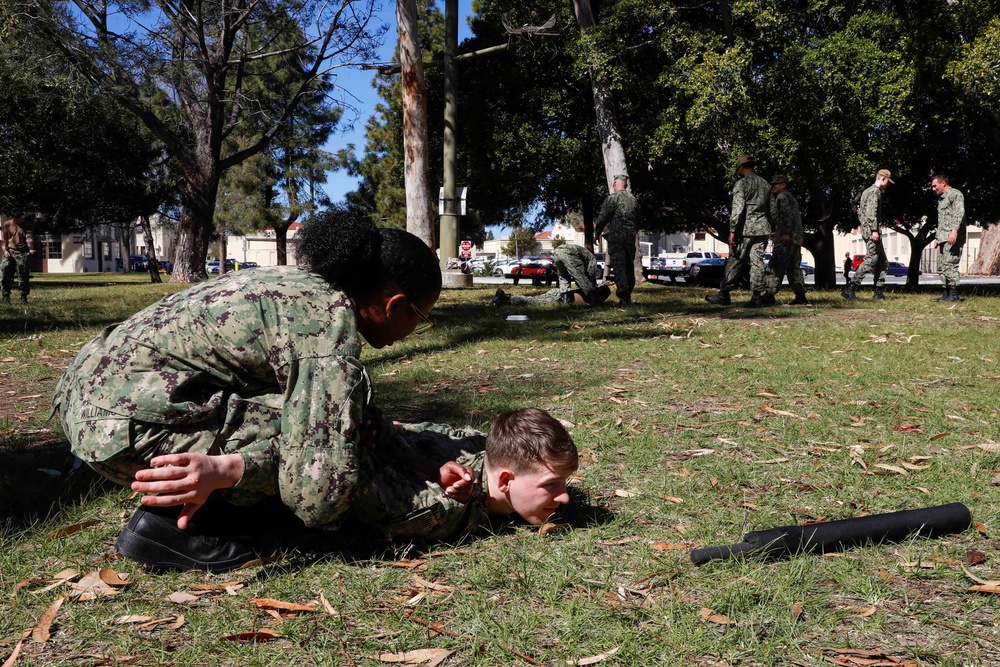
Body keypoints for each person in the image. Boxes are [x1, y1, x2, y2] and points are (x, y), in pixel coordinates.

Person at [52, 207, 445, 569]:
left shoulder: (307, 287)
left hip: (88, 402)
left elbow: (354, 404)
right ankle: (169, 526)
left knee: (329, 421)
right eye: (422, 318)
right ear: (394, 304)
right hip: (123, 429)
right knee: (323, 447)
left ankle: (212, 495)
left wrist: (418, 462)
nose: (415, 330)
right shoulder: (327, 329)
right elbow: (319, 498)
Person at [706, 155, 772, 307]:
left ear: (741, 168)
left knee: (735, 260)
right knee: (758, 262)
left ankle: (724, 294)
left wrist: (732, 231)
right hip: (762, 229)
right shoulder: (766, 184)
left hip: (744, 230)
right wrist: (772, 227)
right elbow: (772, 209)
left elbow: (737, 209)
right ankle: (757, 296)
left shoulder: (741, 184)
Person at [491, 244, 609, 306]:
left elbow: (580, 278)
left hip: (558, 252)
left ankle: (507, 297)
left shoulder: (585, 254)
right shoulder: (592, 258)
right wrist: (593, 291)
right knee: (534, 301)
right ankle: (507, 299)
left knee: (563, 276)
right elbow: (587, 276)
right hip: (568, 254)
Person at [842, 169, 893, 301]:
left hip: (868, 229)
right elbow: (871, 212)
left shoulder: (866, 192)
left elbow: (861, 213)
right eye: (888, 181)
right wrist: (874, 230)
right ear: (882, 178)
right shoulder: (874, 192)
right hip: (872, 231)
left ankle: (878, 292)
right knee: (871, 259)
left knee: (882, 262)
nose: (888, 184)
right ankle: (850, 287)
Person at [594, 174, 642, 307]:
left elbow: (603, 217)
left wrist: (597, 233)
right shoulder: (634, 200)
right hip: (630, 239)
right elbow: (639, 222)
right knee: (629, 267)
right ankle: (628, 296)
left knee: (619, 267)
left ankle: (624, 298)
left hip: (617, 239)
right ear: (625, 185)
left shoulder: (612, 199)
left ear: (615, 184)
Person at [761, 175, 808, 306]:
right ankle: (801, 296)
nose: (773, 187)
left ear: (783, 185)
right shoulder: (791, 198)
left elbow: (786, 216)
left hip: (787, 239)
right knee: (794, 268)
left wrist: (785, 233)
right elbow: (791, 219)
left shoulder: (782, 197)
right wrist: (779, 232)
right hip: (796, 238)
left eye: (776, 184)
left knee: (776, 265)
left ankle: (769, 295)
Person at [931, 173, 966, 302]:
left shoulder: (955, 194)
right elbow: (942, 220)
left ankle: (954, 294)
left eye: (935, 186)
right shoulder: (942, 199)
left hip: (953, 236)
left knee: (950, 265)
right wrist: (937, 237)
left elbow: (959, 213)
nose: (933, 189)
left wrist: (954, 231)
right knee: (942, 266)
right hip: (943, 237)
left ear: (943, 183)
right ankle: (945, 294)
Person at [1, 214, 36, 304]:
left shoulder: (27, 225)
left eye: (18, 218)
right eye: (14, 218)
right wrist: (5, 251)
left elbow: (29, 238)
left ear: (22, 217)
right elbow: (4, 239)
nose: (16, 220)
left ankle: (23, 297)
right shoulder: (7, 224)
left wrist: (31, 249)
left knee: (23, 274)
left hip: (23, 252)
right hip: (10, 251)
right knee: (5, 271)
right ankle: (5, 296)